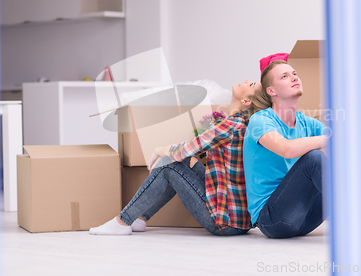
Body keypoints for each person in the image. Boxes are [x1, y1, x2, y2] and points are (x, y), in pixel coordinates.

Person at [90, 79, 262, 236]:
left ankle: (123, 221)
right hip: (235, 218)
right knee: (179, 160)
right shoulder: (238, 123)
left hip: (225, 223)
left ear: (246, 102)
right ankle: (139, 218)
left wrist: (160, 149)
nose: (247, 81)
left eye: (251, 84)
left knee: (169, 166)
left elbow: (192, 146)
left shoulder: (231, 125)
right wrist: (187, 158)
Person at [243, 60, 329, 239]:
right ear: (271, 91)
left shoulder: (307, 123)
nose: (294, 78)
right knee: (314, 158)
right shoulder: (260, 121)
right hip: (273, 220)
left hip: (305, 218)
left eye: (295, 74)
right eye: (285, 76)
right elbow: (287, 149)